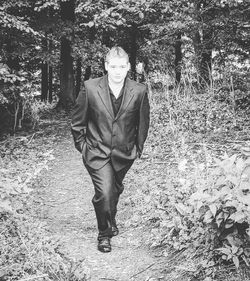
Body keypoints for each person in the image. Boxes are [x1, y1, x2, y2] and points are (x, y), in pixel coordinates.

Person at [71, 46, 150, 253]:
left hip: (124, 153)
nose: (117, 71)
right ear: (106, 66)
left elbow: (143, 123)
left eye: (121, 67)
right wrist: (84, 147)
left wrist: (137, 150)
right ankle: (104, 234)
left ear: (128, 67)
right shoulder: (90, 88)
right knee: (104, 193)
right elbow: (77, 123)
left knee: (114, 189)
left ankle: (110, 219)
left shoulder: (139, 90)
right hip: (96, 152)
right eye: (113, 66)